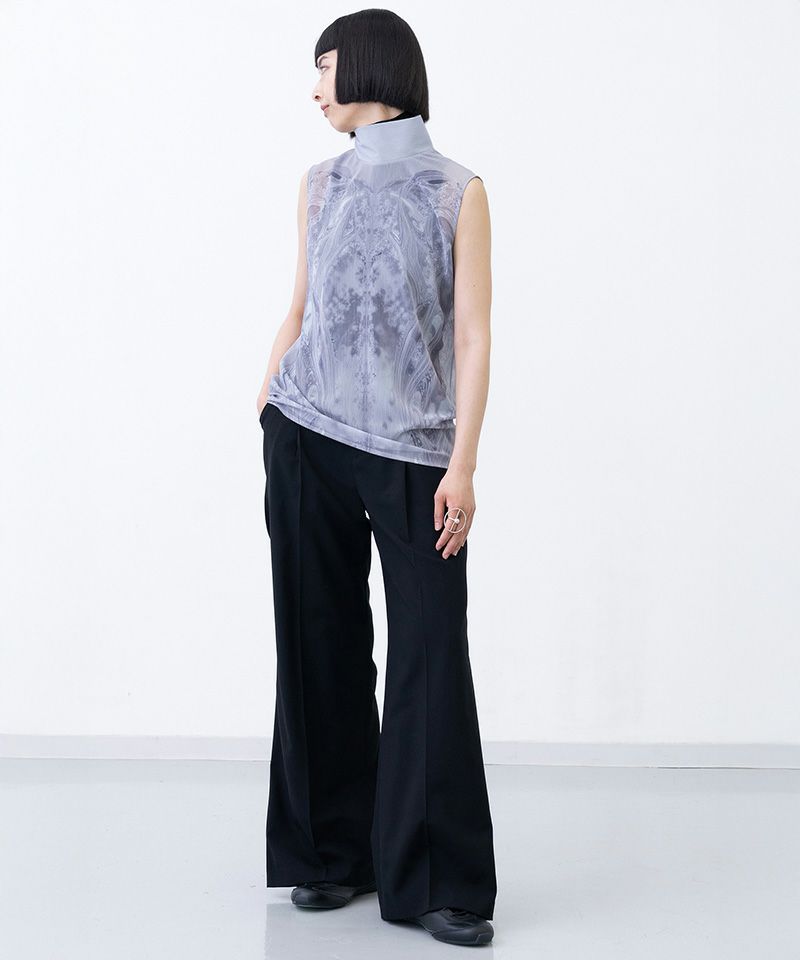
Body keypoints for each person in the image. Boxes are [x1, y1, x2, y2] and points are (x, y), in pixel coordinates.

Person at [255, 9, 497, 947]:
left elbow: (472, 336)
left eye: (324, 69)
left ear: (368, 66)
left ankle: (438, 882)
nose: (314, 90)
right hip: (305, 432)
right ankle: (329, 854)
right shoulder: (318, 183)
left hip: (414, 450)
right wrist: (270, 389)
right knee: (315, 639)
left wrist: (463, 463)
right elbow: (301, 304)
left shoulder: (456, 190)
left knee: (429, 657)